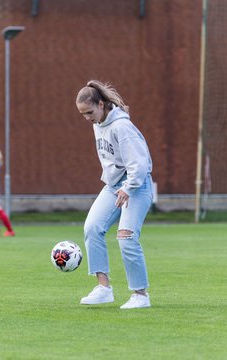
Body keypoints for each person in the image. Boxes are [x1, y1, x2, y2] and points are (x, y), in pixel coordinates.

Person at [76, 80, 154, 309]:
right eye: (82, 114)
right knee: (92, 228)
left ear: (101, 104)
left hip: (137, 185)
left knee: (126, 236)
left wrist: (128, 188)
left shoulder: (122, 127)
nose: (87, 118)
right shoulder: (97, 123)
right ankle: (103, 288)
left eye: (89, 112)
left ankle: (141, 295)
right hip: (113, 186)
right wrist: (116, 184)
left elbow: (139, 165)